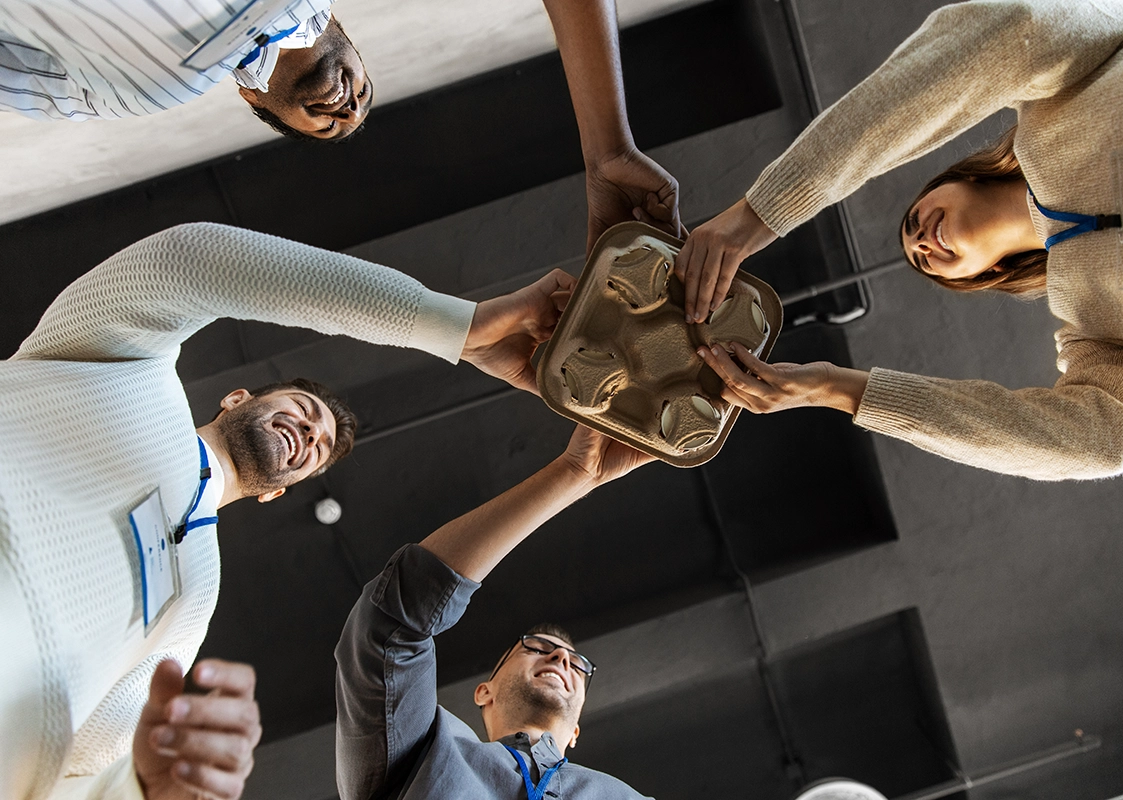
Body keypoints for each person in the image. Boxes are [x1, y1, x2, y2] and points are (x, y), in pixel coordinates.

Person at [0, 220, 576, 800]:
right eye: (302, 409)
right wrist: (459, 328)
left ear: (277, 491)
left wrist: (142, 785)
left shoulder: (199, 595)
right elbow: (186, 259)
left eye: (318, 448)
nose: (307, 431)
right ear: (237, 398)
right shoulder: (127, 369)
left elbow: (85, 761)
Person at [676, 0, 1123, 481]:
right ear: (982, 275)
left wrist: (758, 214)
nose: (922, 242)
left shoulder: (1055, 103)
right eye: (925, 261)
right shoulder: (1098, 327)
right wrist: (840, 388)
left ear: (960, 176)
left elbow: (1011, 33)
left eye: (913, 223)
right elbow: (1105, 442)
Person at [334, 424, 654, 800]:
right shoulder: (422, 752)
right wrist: (574, 473)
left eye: (577, 663)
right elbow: (389, 625)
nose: (561, 657)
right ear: (485, 692)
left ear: (576, 732)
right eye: (534, 646)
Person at [0, 0, 372, 139]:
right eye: (364, 93)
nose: (350, 112)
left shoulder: (148, 91)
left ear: (254, 99)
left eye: (329, 128)